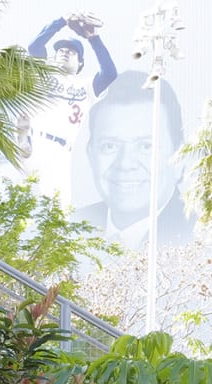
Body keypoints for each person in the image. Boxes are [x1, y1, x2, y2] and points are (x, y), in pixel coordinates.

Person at [78, 72, 194, 250]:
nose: (125, 164)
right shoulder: (68, 232)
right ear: (91, 155)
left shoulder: (201, 237)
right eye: (109, 146)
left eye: (146, 146)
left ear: (179, 157)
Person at [26, 13, 118, 197]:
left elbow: (109, 73)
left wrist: (94, 38)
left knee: (59, 213)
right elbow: (35, 47)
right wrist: (62, 21)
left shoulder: (86, 86)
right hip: (33, 145)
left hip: (61, 153)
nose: (65, 52)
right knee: (24, 201)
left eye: (72, 51)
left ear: (80, 63)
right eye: (60, 50)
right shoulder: (43, 73)